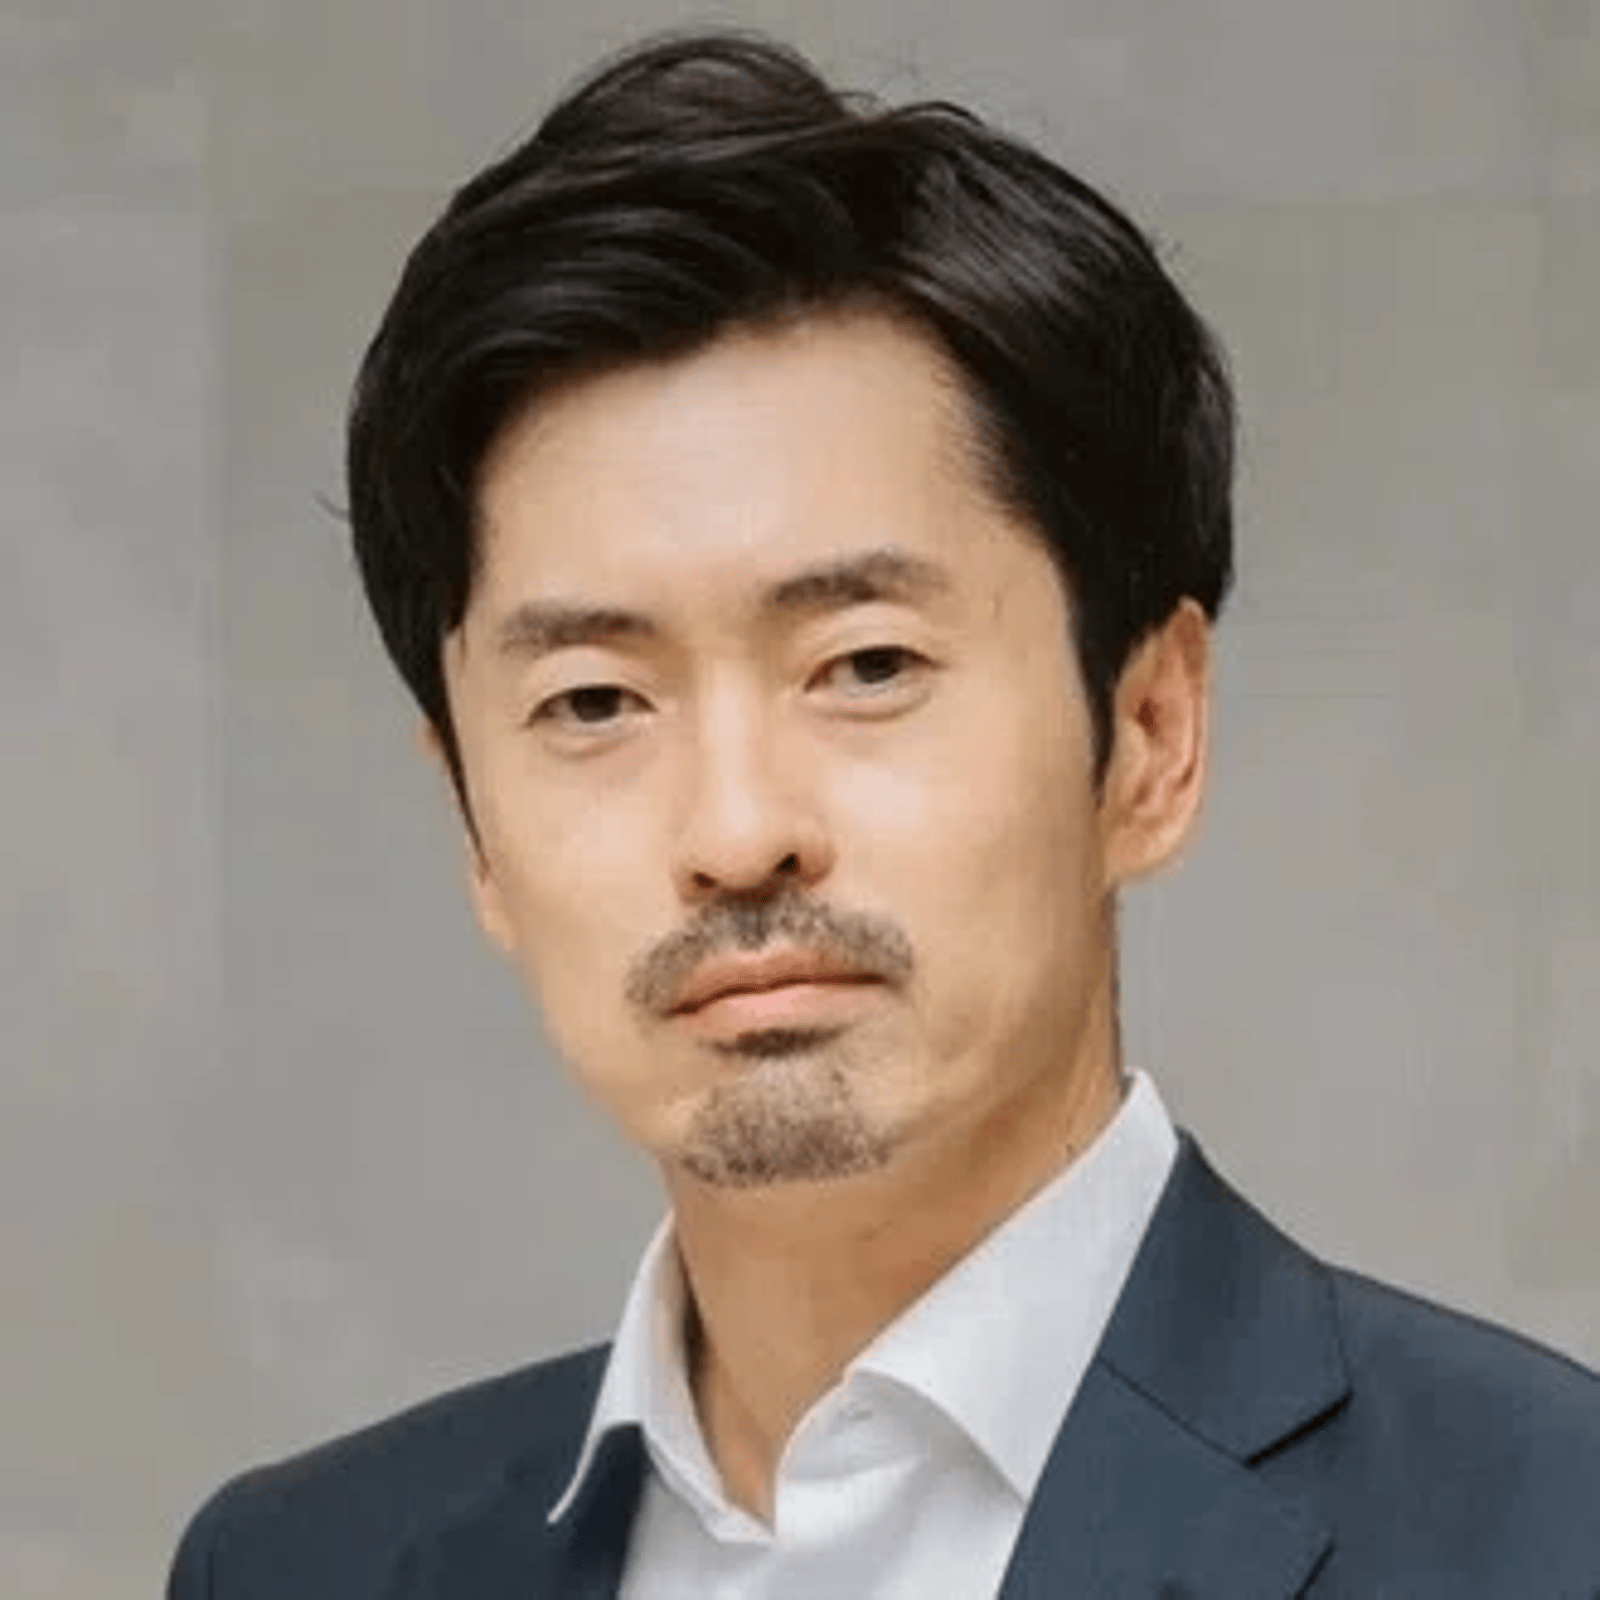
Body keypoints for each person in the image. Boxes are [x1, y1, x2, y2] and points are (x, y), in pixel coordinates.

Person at [168, 27, 1600, 1599]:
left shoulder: (1547, 1529)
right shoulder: (296, 1567)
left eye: (865, 666)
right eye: (594, 701)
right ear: (472, 825)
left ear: (1150, 736)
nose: (736, 832)